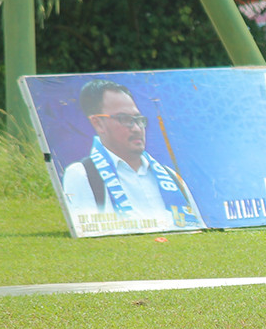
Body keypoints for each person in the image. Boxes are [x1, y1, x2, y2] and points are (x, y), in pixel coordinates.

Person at [61, 79, 201, 232]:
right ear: (98, 123)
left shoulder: (170, 177)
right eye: (125, 119)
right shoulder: (83, 174)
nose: (137, 128)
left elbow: (197, 231)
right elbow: (87, 235)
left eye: (139, 120)